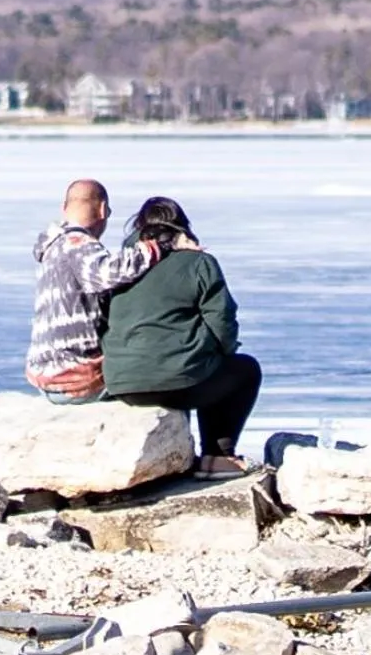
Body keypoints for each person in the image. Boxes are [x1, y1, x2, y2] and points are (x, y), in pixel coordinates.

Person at [103, 197, 262, 479]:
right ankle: (217, 457)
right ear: (182, 229)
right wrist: (222, 352)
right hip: (177, 384)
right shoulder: (198, 263)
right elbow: (222, 321)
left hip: (122, 384)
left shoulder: (117, 266)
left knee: (186, 366)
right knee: (243, 370)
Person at [26, 179, 165, 404]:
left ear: (65, 208)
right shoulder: (76, 242)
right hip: (77, 379)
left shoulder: (52, 246)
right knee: (164, 381)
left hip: (46, 375)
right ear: (102, 210)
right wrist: (154, 248)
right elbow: (107, 273)